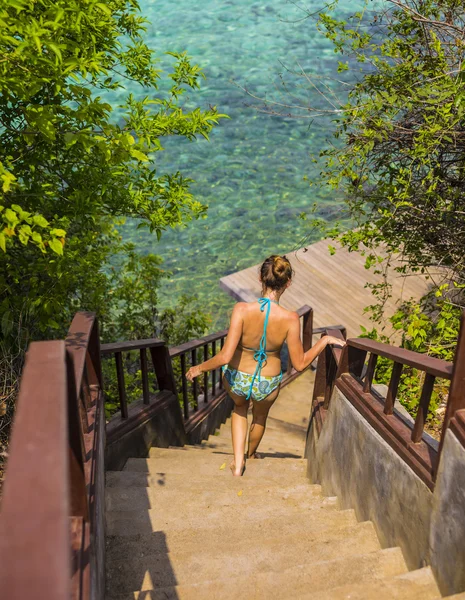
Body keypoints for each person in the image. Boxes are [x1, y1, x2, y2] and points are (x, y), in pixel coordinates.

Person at [186, 255, 345, 476]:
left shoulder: (241, 310)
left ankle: (238, 462)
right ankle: (251, 454)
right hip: (267, 383)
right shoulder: (290, 319)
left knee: (240, 409)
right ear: (288, 283)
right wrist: (324, 341)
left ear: (261, 277)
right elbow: (299, 364)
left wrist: (198, 369)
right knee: (260, 418)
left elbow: (224, 356)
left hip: (237, 377)